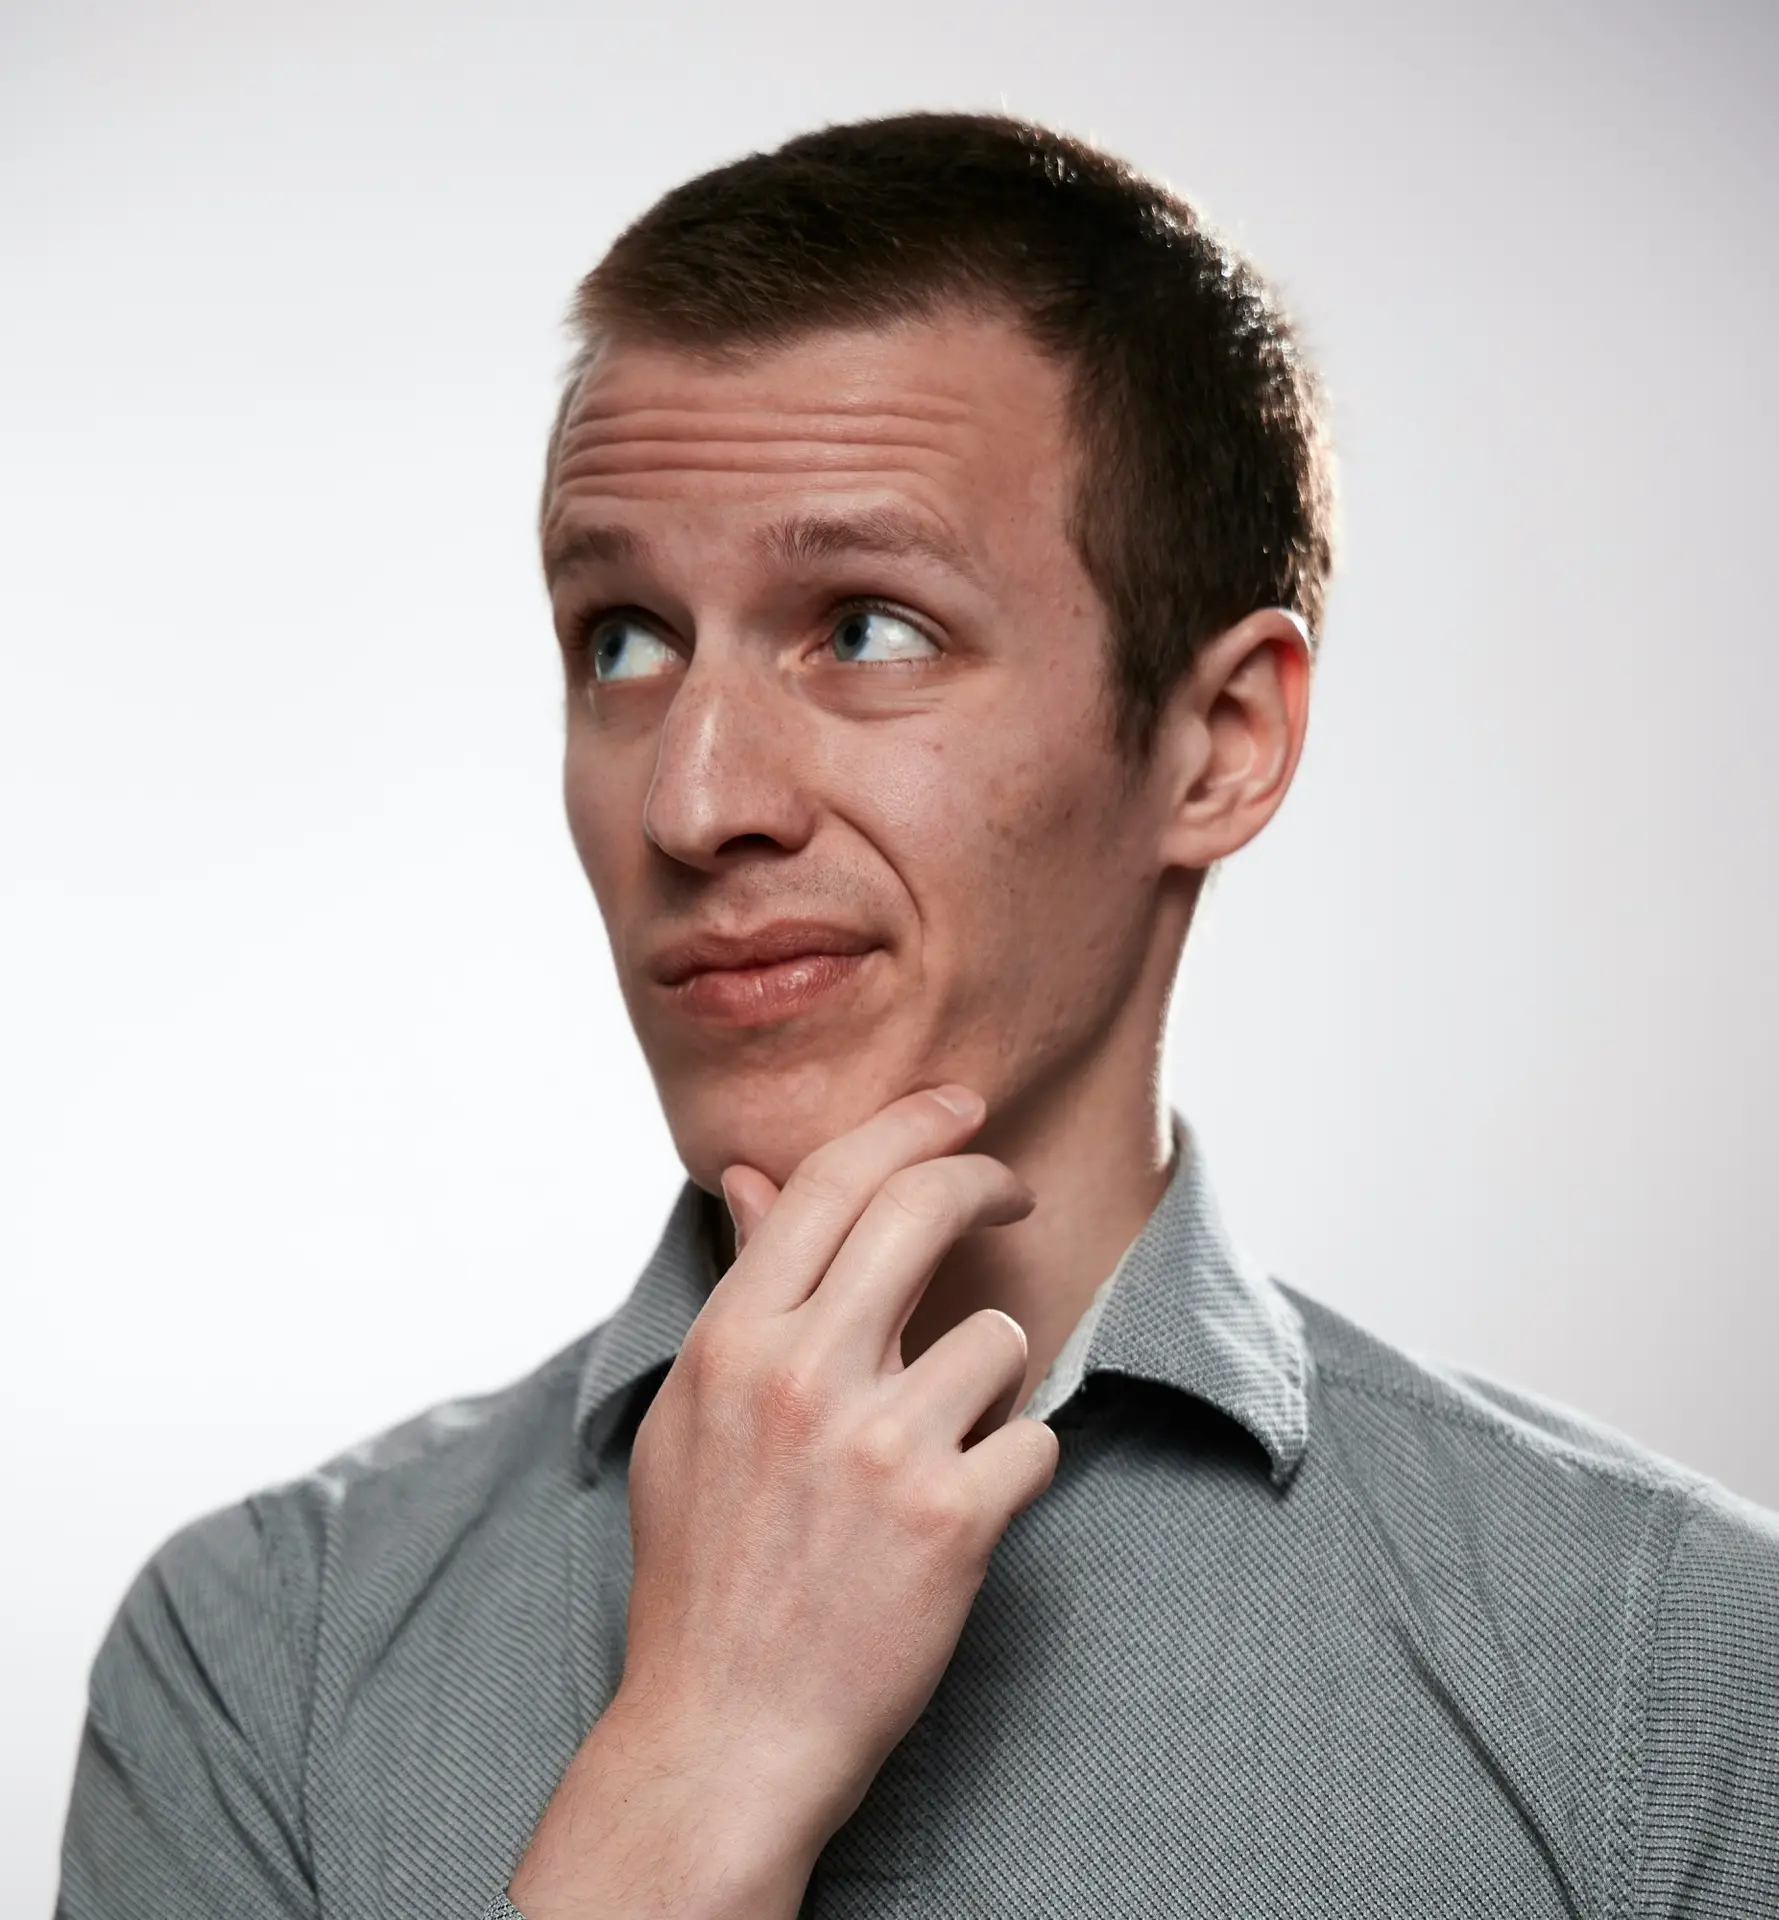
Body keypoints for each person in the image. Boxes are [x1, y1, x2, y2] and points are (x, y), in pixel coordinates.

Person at [58, 112, 1778, 1920]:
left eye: (867, 628)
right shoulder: (264, 1664)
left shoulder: (1667, 1679)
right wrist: (695, 1770)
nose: (694, 798)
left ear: (1219, 743)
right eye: (623, 639)